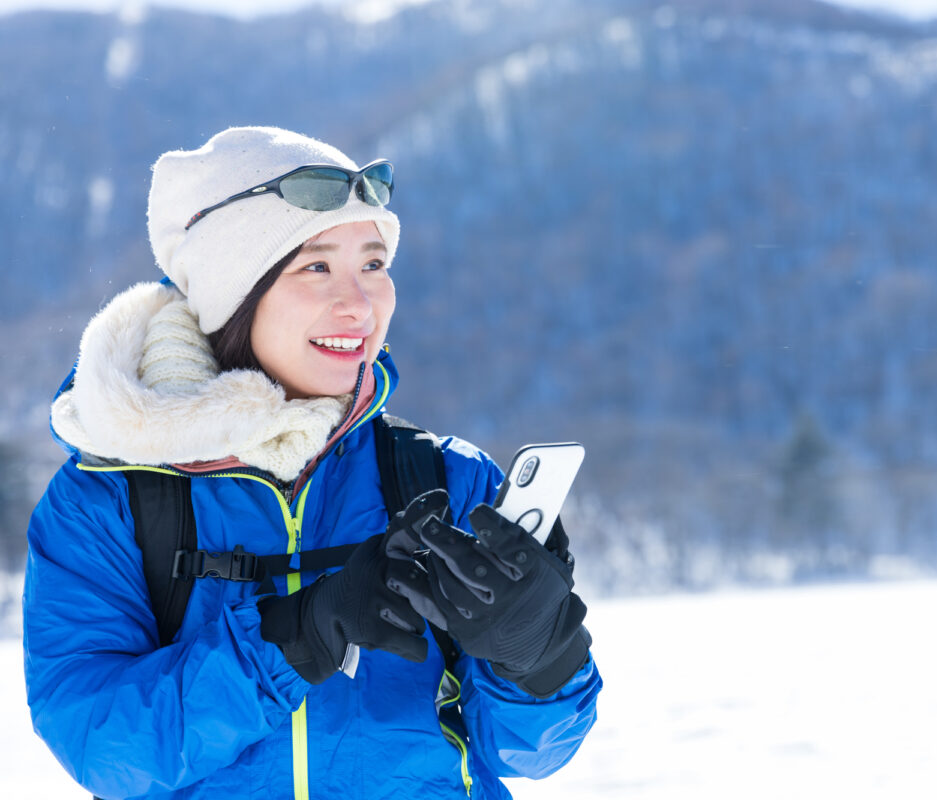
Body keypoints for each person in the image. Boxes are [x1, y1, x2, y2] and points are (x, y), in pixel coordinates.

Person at [22, 126, 602, 800]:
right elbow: (100, 745)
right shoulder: (107, 501)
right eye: (315, 266)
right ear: (231, 291)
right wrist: (291, 638)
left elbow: (531, 756)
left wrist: (538, 655)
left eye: (374, 264)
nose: (359, 303)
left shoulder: (443, 479)